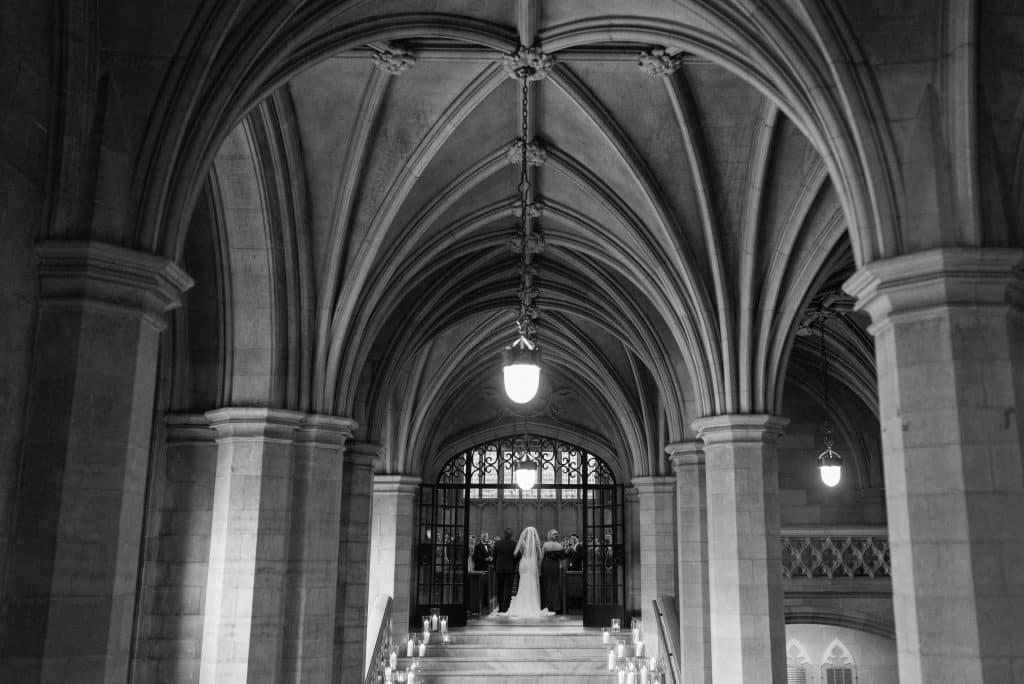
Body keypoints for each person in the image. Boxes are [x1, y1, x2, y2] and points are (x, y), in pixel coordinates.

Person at [506, 526, 554, 617]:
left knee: (523, 581)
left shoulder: (522, 541)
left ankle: (522, 603)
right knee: (532, 583)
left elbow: (515, 553)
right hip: (532, 564)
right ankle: (532, 605)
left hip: (524, 563)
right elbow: (540, 556)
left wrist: (521, 551)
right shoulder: (536, 543)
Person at [491, 528, 518, 613]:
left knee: (500, 588)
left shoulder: (498, 543)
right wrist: (514, 564)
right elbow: (517, 557)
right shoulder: (514, 544)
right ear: (511, 535)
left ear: (504, 534)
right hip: (510, 569)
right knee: (508, 589)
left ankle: (500, 608)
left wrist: (496, 567)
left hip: (499, 569)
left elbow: (494, 557)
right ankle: (506, 607)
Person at [540, 529, 564, 613]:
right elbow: (562, 558)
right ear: (551, 535)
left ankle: (546, 606)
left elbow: (541, 557)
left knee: (548, 585)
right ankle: (556, 606)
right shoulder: (559, 545)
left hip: (547, 565)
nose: (556, 535)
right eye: (555, 534)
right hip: (554, 566)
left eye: (556, 534)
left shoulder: (546, 545)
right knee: (554, 585)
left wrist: (539, 568)